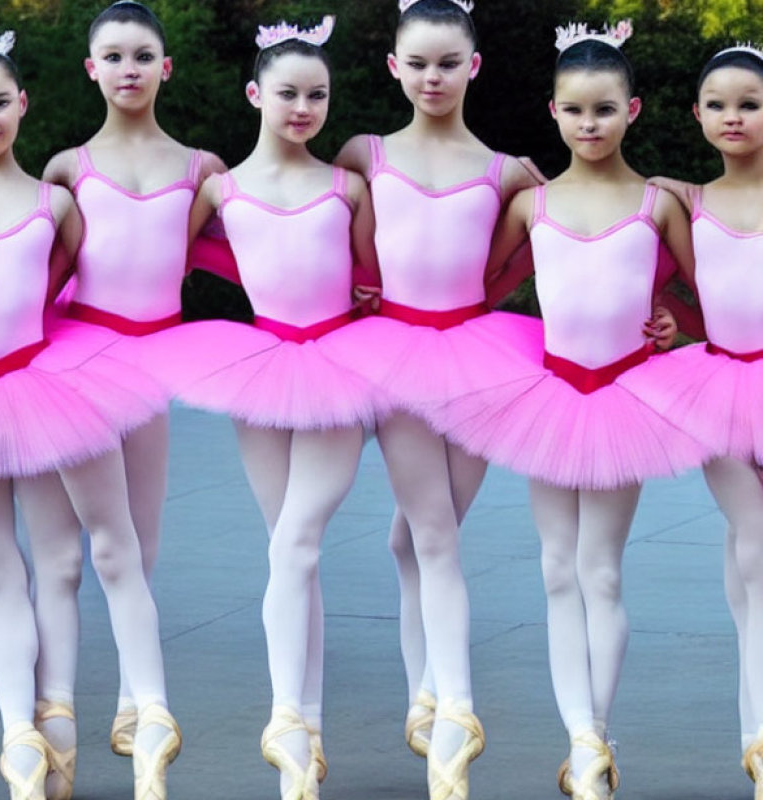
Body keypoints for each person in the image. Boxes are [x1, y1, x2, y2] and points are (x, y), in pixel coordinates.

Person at [0, 32, 180, 800]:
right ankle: (21, 734)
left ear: (22, 106)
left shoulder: (56, 202)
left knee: (72, 556)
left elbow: (64, 283)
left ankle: (131, 715)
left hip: (45, 385)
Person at [431, 21, 708, 800]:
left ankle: (598, 731)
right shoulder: (533, 204)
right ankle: (581, 742)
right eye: (575, 110)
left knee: (600, 570)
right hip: (548, 394)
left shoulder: (658, 205)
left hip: (624, 394)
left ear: (634, 110)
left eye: (605, 110)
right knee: (557, 569)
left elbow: (699, 298)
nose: (590, 124)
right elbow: (479, 291)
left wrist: (669, 325)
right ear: (552, 112)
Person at [329, 2, 541, 795]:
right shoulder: (366, 154)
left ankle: (434, 704)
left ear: (473, 67)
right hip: (399, 355)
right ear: (393, 66)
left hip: (482, 357)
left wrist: (664, 314)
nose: (432, 77)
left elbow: (549, 239)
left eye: (448, 63)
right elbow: (332, 231)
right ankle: (448, 709)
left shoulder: (508, 171)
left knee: (422, 537)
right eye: (417, 63)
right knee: (430, 533)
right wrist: (356, 295)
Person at [169, 15, 380, 800]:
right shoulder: (221, 189)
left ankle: (285, 721)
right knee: (290, 553)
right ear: (255, 92)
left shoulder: (346, 186)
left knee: (296, 543)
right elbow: (174, 255)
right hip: (258, 367)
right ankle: (307, 731)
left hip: (339, 365)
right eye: (288, 92)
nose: (302, 107)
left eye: (317, 95)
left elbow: (372, 275)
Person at [42, 0, 224, 760]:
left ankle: (128, 704)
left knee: (139, 541)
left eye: (142, 55)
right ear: (92, 69)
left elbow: (251, 254)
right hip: (78, 360)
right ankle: (52, 714)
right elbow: (35, 270)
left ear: (165, 67)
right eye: (113, 56)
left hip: (153, 360)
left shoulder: (201, 169)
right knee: (62, 551)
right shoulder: (67, 168)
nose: (128, 69)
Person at [634, 44, 763, 798]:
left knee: (749, 564)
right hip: (718, 385)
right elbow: (696, 304)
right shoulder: (687, 202)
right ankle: (757, 741)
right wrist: (668, 322)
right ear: (697, 115)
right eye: (718, 104)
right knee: (752, 546)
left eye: (748, 103)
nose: (733, 117)